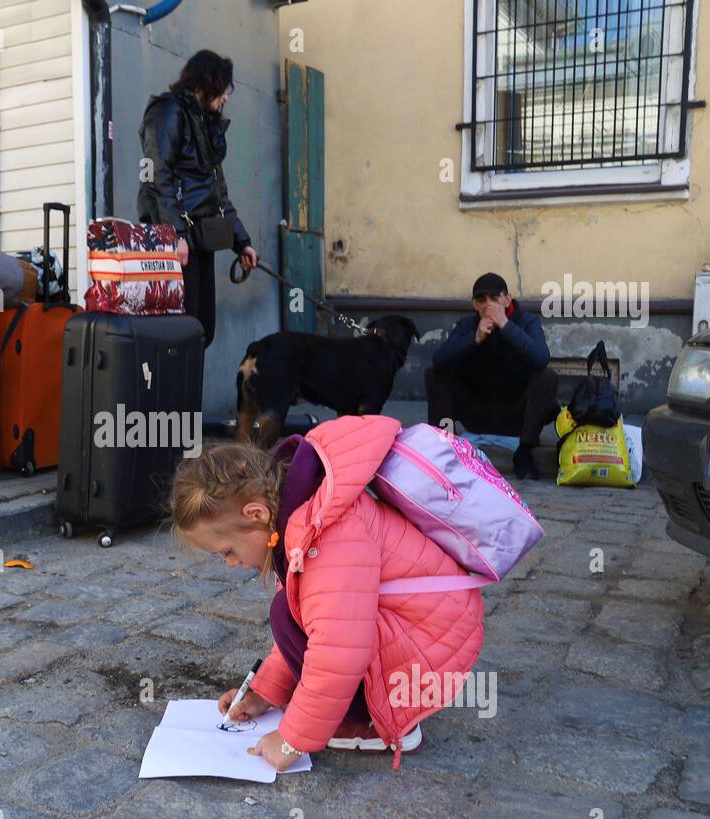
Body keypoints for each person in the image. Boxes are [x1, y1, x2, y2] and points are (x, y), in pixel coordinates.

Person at [169, 418, 485, 771]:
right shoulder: (303, 521)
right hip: (418, 633)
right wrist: (265, 693)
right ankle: (358, 710)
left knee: (287, 615)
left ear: (256, 514)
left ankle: (372, 726)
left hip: (425, 652)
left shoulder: (326, 535)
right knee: (288, 610)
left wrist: (292, 739)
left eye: (227, 550)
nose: (229, 563)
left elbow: (337, 651)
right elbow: (311, 621)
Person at [138, 50, 258, 350]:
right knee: (181, 332)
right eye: (223, 90)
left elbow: (217, 191)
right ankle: (174, 397)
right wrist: (175, 235)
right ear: (206, 85)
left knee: (203, 329)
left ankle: (188, 395)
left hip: (201, 238)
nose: (226, 98)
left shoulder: (205, 122)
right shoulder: (167, 113)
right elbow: (157, 178)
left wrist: (241, 241)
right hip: (178, 242)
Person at [426, 272, 558, 480]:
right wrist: (475, 338)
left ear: (507, 299)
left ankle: (525, 452)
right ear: (474, 305)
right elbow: (439, 361)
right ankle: (443, 446)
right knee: (436, 374)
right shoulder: (467, 325)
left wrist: (505, 325)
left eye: (494, 299)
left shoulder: (527, 321)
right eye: (481, 300)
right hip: (477, 410)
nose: (488, 306)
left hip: (516, 413)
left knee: (547, 377)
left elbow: (541, 358)